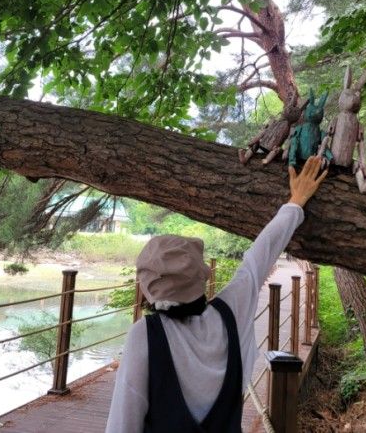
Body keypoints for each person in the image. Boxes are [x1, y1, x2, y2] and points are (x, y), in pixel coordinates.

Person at [105, 156, 328, 432]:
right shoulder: (230, 313)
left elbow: (122, 425)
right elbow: (260, 256)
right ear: (201, 276)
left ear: (148, 288)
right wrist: (296, 201)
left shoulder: (144, 335)